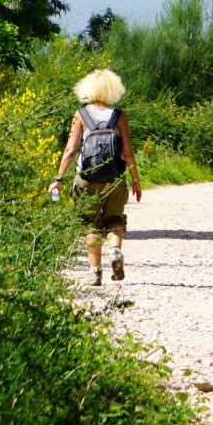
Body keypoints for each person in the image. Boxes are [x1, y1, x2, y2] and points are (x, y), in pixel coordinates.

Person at [50, 68, 142, 285]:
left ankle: (95, 273)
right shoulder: (119, 116)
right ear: (114, 90)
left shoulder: (81, 115)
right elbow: (127, 152)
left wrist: (59, 178)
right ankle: (115, 251)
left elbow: (71, 150)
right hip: (115, 178)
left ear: (88, 89)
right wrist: (136, 181)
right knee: (115, 219)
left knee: (89, 223)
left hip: (87, 178)